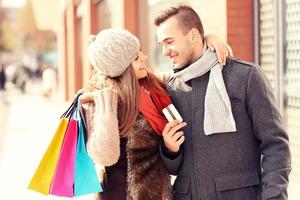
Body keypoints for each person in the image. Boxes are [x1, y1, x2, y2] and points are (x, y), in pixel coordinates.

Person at [155, 5, 291, 200]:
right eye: (161, 44)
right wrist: (169, 150)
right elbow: (172, 168)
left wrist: (274, 196)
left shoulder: (246, 77)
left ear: (194, 36)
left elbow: (275, 144)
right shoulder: (170, 90)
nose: (165, 51)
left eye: (169, 42)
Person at [79, 28, 228, 200]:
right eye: (135, 57)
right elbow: (106, 157)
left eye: (140, 52)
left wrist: (207, 40)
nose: (144, 58)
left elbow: (187, 73)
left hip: (158, 193)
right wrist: (106, 104)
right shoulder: (97, 100)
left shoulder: (151, 85)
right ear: (120, 67)